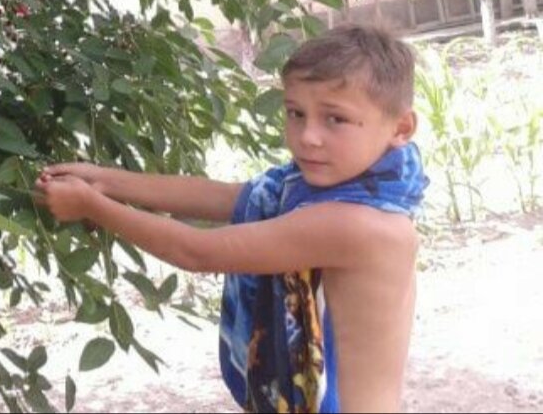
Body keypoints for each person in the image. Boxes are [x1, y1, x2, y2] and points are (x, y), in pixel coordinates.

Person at [35, 24, 429, 413]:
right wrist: (104, 179)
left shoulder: (359, 223)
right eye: (295, 113)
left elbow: (199, 252)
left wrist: (92, 206)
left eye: (335, 119)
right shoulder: (316, 190)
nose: (308, 136)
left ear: (401, 128)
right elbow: (220, 196)